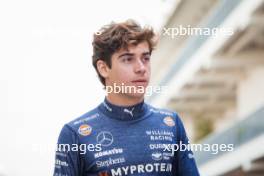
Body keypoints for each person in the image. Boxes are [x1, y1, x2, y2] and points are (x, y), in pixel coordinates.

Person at [53, 19, 200, 176]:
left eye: (145, 58)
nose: (141, 68)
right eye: (128, 59)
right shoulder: (75, 133)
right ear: (103, 68)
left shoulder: (171, 123)